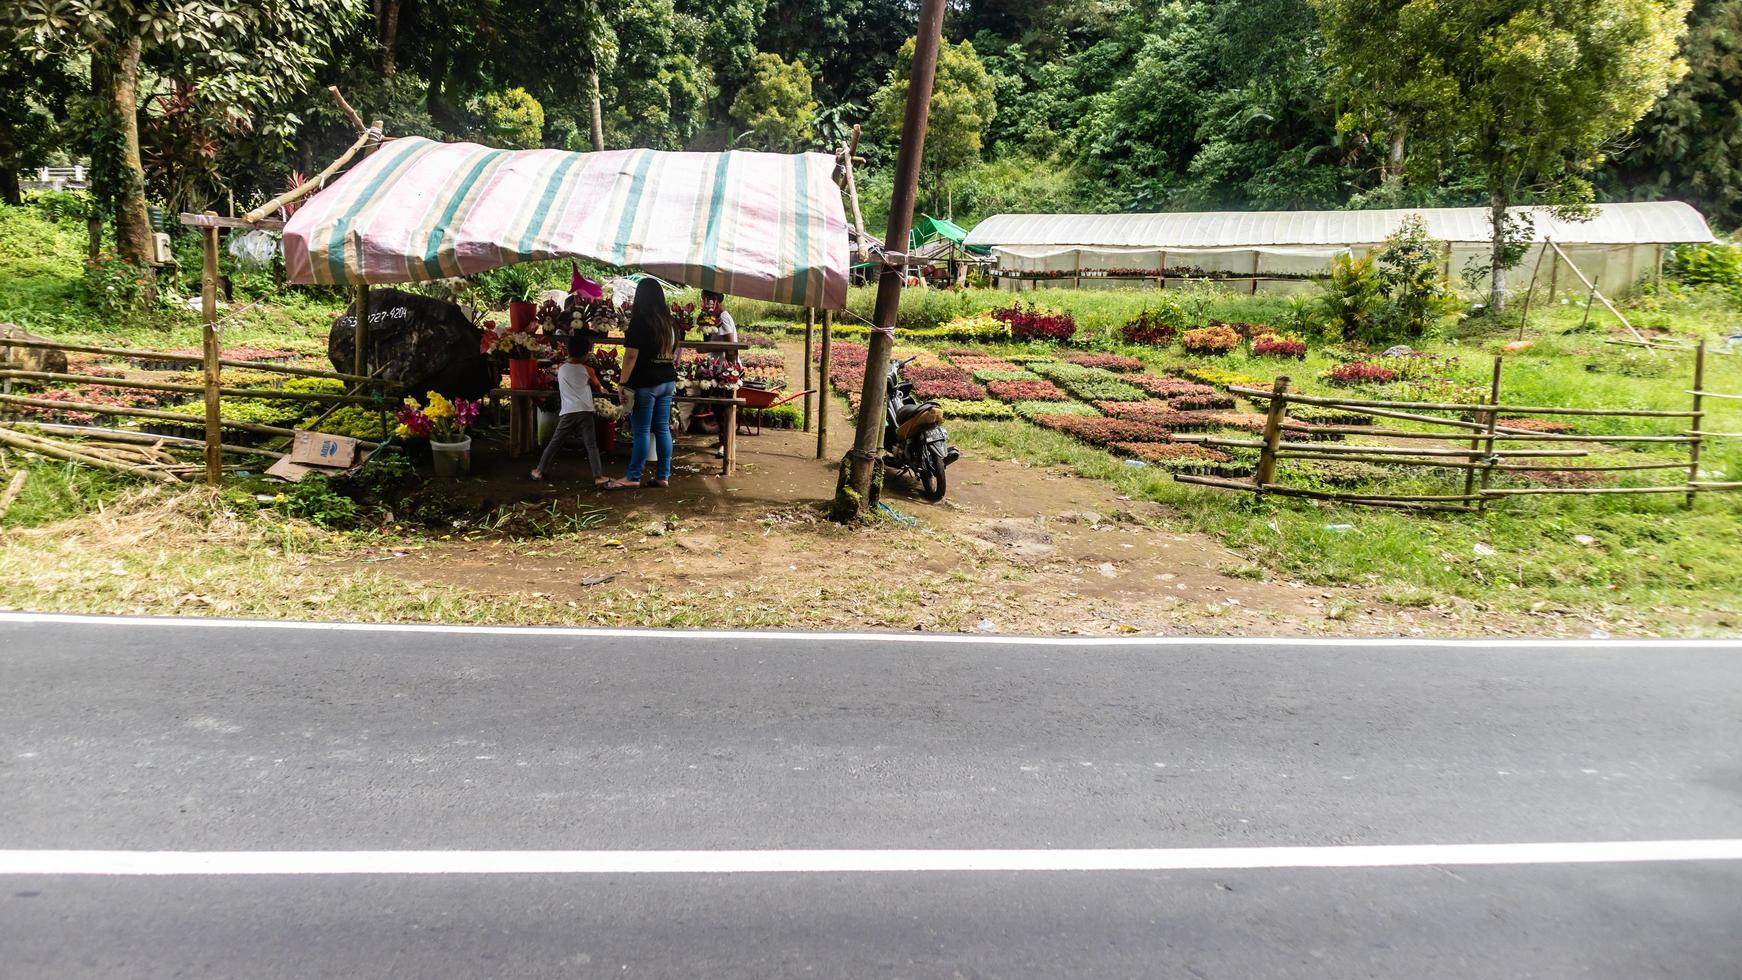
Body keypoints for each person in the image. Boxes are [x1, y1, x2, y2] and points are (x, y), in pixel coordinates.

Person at [607, 278, 678, 489]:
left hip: (646, 382)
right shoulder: (670, 322)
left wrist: (622, 382)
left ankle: (633, 476)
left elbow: (630, 356)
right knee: (662, 429)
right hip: (667, 380)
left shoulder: (641, 321)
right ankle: (663, 476)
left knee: (642, 431)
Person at [530, 332, 607, 486]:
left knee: (555, 442)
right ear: (586, 354)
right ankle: (598, 476)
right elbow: (599, 387)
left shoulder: (561, 369)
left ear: (568, 351)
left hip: (568, 412)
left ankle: (538, 470)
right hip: (585, 410)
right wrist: (602, 391)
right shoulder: (588, 370)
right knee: (591, 445)